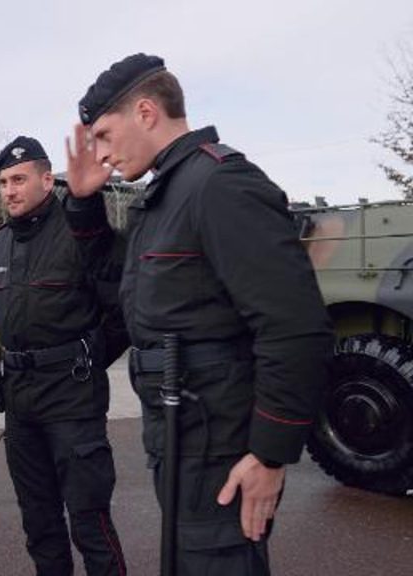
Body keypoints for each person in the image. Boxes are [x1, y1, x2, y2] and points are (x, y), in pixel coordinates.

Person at [69, 53, 334, 575]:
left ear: (145, 112)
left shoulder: (219, 185)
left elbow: (295, 326)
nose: (99, 154)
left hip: (223, 451)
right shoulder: (166, 194)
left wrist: (270, 455)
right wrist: (81, 203)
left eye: (102, 135)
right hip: (182, 436)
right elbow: (121, 288)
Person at [0, 136, 128, 576]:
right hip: (21, 403)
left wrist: (85, 357)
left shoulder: (79, 234)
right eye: (3, 182)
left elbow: (122, 310)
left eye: (19, 179)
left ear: (47, 180)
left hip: (72, 399)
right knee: (39, 522)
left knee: (90, 521)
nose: (9, 190)